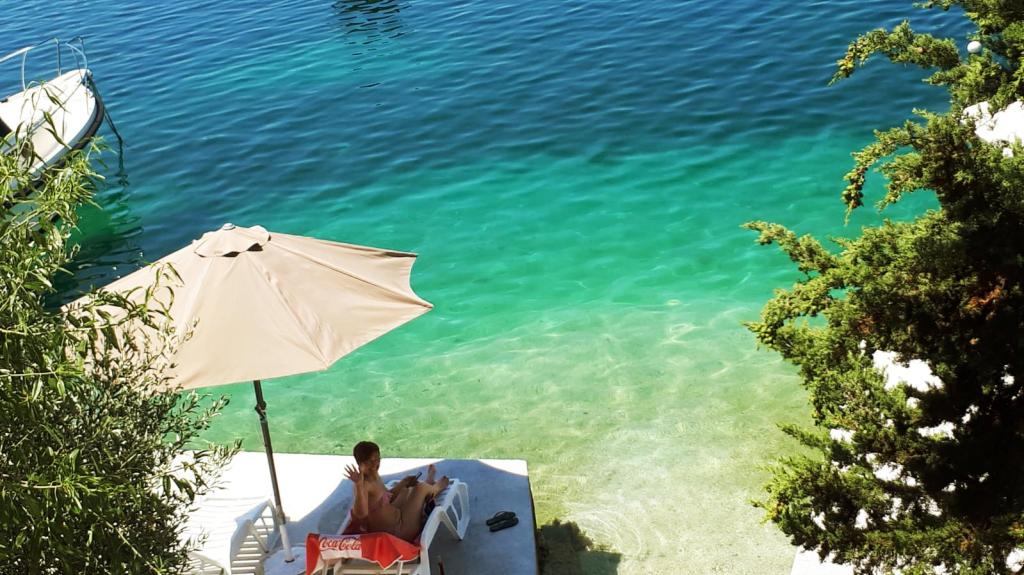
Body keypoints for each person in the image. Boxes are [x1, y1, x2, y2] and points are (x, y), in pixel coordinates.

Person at [345, 441, 450, 542]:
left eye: (377, 459)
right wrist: (359, 485)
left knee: (406, 490)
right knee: (420, 488)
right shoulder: (363, 484)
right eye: (369, 462)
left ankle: (429, 484)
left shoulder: (374, 475)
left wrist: (404, 482)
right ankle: (436, 487)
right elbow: (361, 514)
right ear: (360, 464)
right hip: (399, 532)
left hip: (397, 519)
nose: (375, 464)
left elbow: (387, 497)